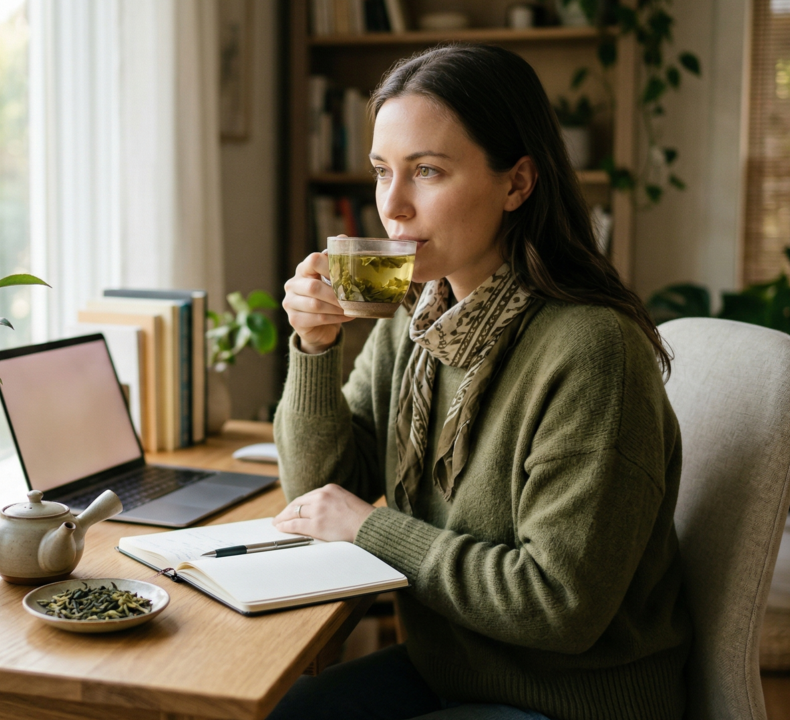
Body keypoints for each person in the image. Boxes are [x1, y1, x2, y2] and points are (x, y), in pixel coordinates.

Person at [267, 45, 692, 720]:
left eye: (427, 172)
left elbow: (560, 605)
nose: (393, 208)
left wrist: (372, 530)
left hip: (572, 700)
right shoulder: (417, 317)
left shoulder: (593, 351)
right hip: (455, 669)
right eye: (383, 172)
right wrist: (316, 348)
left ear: (517, 183)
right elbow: (321, 488)